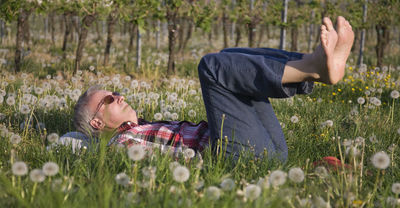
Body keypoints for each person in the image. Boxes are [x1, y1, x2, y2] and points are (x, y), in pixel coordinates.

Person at [73, 16, 354, 162]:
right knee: (211, 66)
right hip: (236, 159)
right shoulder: (122, 144)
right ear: (97, 122)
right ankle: (312, 68)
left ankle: (311, 65)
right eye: (110, 99)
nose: (119, 96)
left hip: (265, 149)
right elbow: (168, 166)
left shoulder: (143, 128)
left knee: (229, 55)